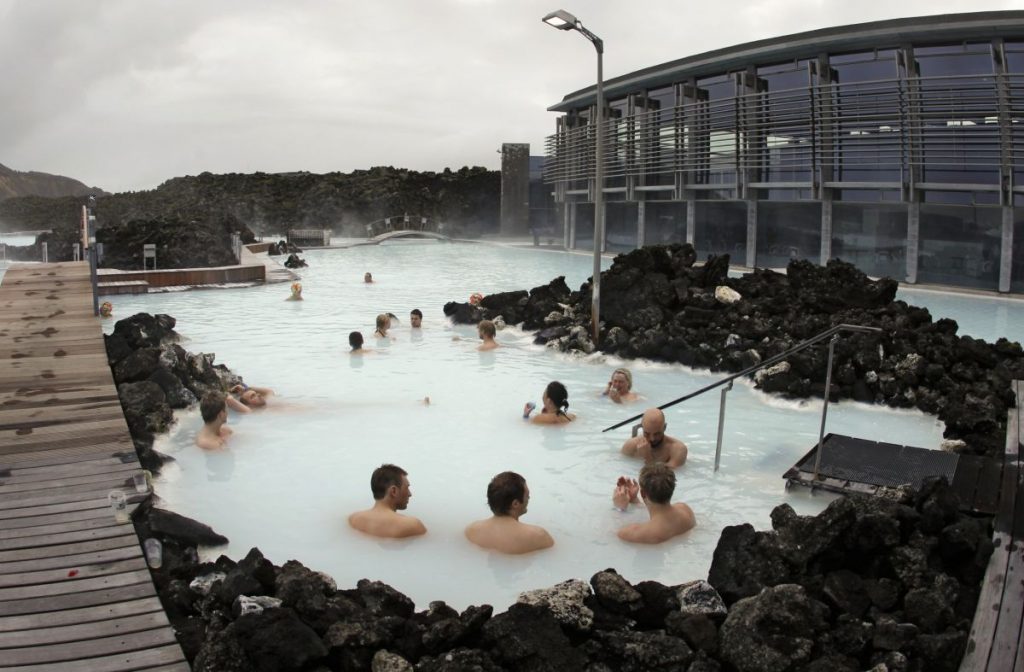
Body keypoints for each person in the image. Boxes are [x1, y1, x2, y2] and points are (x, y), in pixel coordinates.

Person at [465, 472, 553, 554]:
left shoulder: (472, 530)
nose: (529, 498)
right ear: (515, 504)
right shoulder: (538, 536)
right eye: (527, 495)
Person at [613, 463, 695, 544]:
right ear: (672, 488)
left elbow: (612, 534)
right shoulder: (685, 510)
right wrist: (635, 500)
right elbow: (659, 513)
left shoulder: (640, 533)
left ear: (643, 494)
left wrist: (620, 508)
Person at [348, 464, 426, 539]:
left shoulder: (354, 519)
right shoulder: (412, 525)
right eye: (407, 488)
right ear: (394, 491)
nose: (410, 494)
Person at [621, 408, 688, 468]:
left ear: (664, 428)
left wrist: (647, 457)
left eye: (657, 434)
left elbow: (666, 478)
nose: (652, 439)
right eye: (647, 433)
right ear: (642, 428)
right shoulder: (631, 445)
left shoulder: (677, 449)